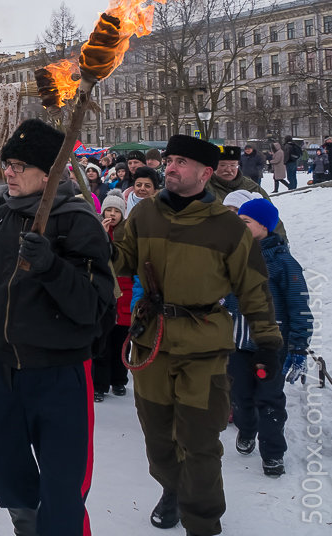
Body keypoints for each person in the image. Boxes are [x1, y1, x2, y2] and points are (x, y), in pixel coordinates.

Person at [111, 134, 283, 535]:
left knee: (201, 443)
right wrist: (89, 242)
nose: (170, 166)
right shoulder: (145, 215)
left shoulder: (227, 227)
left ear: (205, 173)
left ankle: (203, 522)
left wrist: (269, 343)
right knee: (157, 437)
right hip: (150, 344)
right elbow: (120, 260)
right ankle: (172, 488)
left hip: (204, 349)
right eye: (170, 159)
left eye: (181, 161)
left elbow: (255, 289)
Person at [0, 119, 114, 536]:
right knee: (3, 470)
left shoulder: (79, 222)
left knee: (63, 488)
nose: (9, 172)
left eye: (20, 165)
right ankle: (28, 526)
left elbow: (94, 310)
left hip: (59, 374)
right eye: (8, 163)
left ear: (50, 172)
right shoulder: (0, 221)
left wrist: (51, 266)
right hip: (4, 372)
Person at [226, 198, 312, 478]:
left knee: (270, 399)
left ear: (264, 225)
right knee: (240, 396)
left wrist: (298, 346)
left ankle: (273, 453)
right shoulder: (234, 255)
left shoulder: (283, 262)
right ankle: (247, 429)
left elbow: (299, 305)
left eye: (245, 222)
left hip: (271, 346)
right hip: (238, 343)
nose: (239, 227)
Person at [94, 193, 132, 403]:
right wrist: (103, 233)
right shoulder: (98, 231)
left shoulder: (127, 234)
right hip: (105, 294)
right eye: (109, 210)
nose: (112, 214)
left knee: (121, 343)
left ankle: (119, 380)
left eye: (116, 211)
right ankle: (99, 384)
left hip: (124, 294)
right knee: (102, 343)